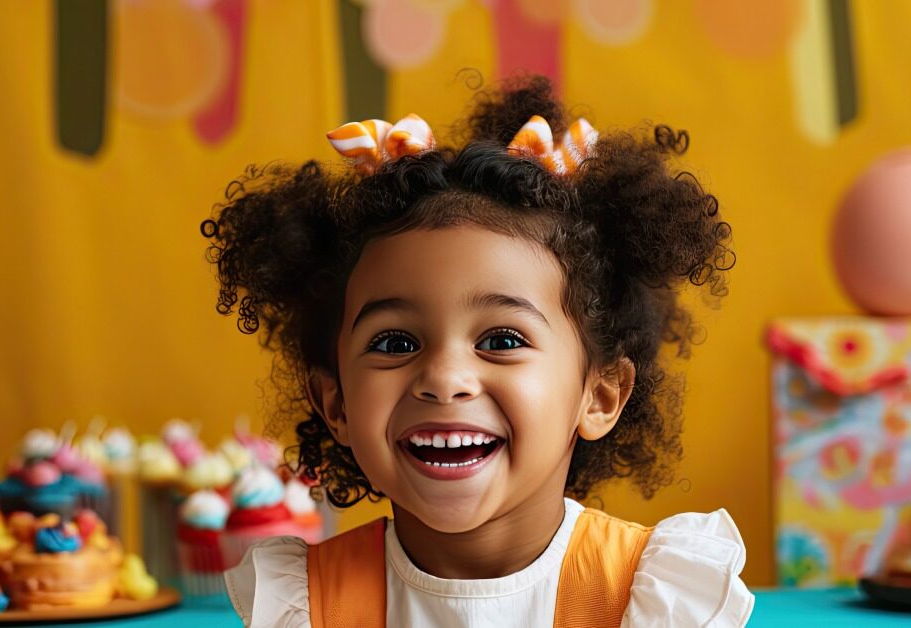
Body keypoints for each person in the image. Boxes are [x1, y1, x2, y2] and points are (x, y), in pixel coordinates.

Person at [205, 74, 751, 627]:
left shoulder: (651, 598)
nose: (443, 378)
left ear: (600, 394)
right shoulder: (305, 603)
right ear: (336, 403)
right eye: (395, 342)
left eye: (502, 340)